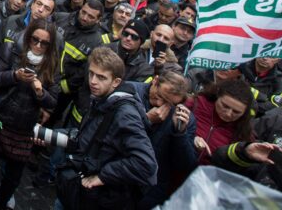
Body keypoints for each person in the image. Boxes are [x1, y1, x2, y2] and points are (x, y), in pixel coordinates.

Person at [0, 19, 59, 209]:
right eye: (35, 40)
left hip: (23, 129)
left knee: (13, 177)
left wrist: (40, 92)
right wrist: (14, 76)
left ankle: (1, 205)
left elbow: (53, 101)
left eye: (44, 43)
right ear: (28, 37)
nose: (38, 46)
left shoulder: (51, 64)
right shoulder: (10, 49)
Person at [53, 47, 158, 209]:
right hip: (79, 190)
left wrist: (102, 176)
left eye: (101, 77)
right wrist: (53, 137)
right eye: (91, 74)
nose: (93, 81)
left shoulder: (125, 113)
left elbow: (146, 164)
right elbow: (92, 140)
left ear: (116, 82)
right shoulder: (102, 98)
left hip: (98, 198)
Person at [129, 71, 196, 210]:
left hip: (150, 190)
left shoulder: (185, 119)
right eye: (159, 96)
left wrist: (180, 134)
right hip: (117, 178)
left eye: (168, 103)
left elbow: (184, 166)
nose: (160, 104)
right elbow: (110, 134)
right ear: (155, 81)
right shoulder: (129, 92)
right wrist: (146, 120)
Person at [190, 78, 254, 164]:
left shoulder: (244, 132)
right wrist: (191, 138)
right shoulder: (195, 103)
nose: (228, 114)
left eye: (236, 112)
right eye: (225, 106)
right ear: (217, 96)